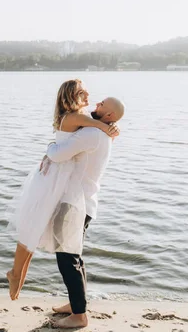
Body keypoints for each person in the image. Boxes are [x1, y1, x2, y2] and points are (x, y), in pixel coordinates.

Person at [6, 79, 119, 301]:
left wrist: (110, 125)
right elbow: (96, 127)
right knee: (33, 227)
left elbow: (77, 138)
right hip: (55, 178)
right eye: (82, 92)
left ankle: (18, 276)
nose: (89, 96)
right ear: (70, 97)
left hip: (58, 177)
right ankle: (17, 275)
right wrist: (110, 127)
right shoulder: (77, 118)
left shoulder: (79, 120)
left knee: (35, 228)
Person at [43, 96, 126, 329]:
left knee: (67, 259)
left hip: (74, 204)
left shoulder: (92, 134)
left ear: (108, 116)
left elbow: (57, 154)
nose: (96, 105)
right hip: (84, 203)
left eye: (101, 105)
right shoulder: (100, 132)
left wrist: (49, 146)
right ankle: (76, 304)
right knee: (74, 257)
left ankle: (79, 316)